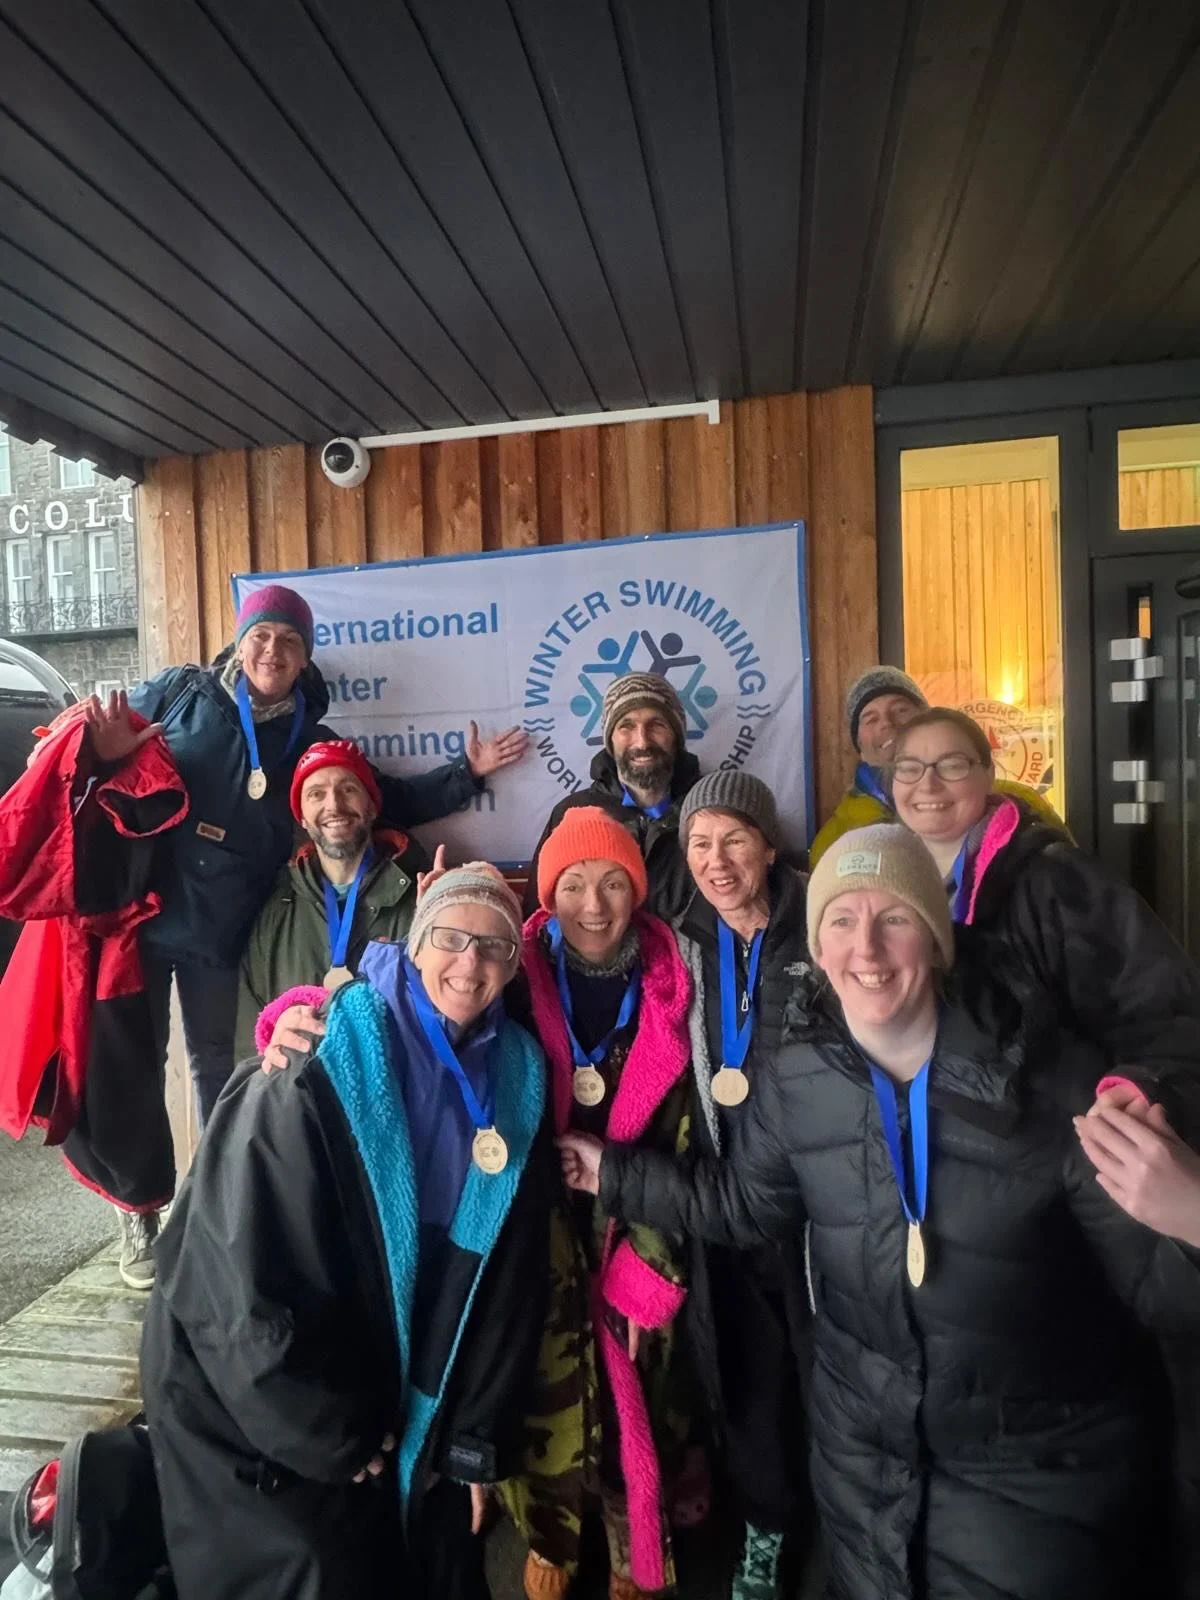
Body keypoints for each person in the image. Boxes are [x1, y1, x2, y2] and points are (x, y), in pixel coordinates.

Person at [560, 824, 1200, 1599]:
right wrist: (613, 1175)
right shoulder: (799, 1073)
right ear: (818, 949)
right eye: (841, 921)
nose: (866, 948)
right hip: (862, 1482)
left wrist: (1192, 1215)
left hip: (1032, 1494)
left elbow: (1165, 1301)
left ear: (934, 940)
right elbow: (742, 1203)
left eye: (894, 918)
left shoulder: (1052, 1087)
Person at [88, 585, 525, 1281]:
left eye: (289, 642)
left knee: (221, 1069)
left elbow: (392, 799)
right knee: (129, 1065)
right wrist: (99, 753)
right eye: (262, 636)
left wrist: (465, 775)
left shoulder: (312, 743)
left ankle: (216, 1201)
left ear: (304, 659)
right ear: (240, 641)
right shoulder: (181, 692)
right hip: (144, 912)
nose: (273, 651)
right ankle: (137, 1208)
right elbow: (95, 745)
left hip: (223, 930)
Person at [141, 863, 553, 1600]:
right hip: (262, 1395)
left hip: (390, 1371)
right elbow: (233, 1285)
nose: (471, 963)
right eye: (453, 938)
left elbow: (502, 1286)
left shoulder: (514, 1072)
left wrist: (468, 1446)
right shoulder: (315, 1060)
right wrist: (329, 1433)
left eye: (494, 948)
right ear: (416, 943)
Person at [501, 806, 692, 1600]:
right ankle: (549, 1535)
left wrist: (650, 1261)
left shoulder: (676, 985)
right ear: (549, 891)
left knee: (635, 1397)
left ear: (638, 891)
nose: (594, 903)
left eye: (614, 882)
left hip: (638, 1225)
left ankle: (631, 1545)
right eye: (573, 883)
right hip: (535, 1235)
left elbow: (692, 1142)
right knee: (540, 1393)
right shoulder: (512, 974)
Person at [889, 706, 1200, 1092]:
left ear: (988, 773)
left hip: (1045, 1132)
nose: (928, 784)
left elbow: (1162, 1012)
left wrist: (1134, 1090)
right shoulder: (880, 883)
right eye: (909, 766)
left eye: (952, 765)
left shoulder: (1059, 881)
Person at [672, 771, 814, 1600]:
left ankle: (847, 1528)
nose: (716, 862)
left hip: (821, 1204)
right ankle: (767, 1528)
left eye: (732, 840)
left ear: (767, 845)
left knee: (831, 1375)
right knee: (752, 1379)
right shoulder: (684, 940)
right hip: (726, 1198)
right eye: (699, 844)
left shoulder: (823, 925)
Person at [233, 739, 427, 1060]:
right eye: (316, 794)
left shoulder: (420, 899)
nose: (333, 805)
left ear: (372, 806)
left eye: (348, 789)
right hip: (301, 1098)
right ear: (303, 818)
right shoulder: (276, 914)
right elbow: (251, 1042)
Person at [809, 665, 1061, 866]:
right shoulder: (834, 840)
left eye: (901, 709)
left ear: (926, 718)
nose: (887, 723)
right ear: (859, 746)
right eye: (870, 718)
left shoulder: (1021, 804)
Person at [523, 674, 701, 922]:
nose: (642, 741)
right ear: (610, 740)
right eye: (626, 726)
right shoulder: (572, 813)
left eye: (657, 724)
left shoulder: (707, 810)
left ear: (676, 736)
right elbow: (537, 920)